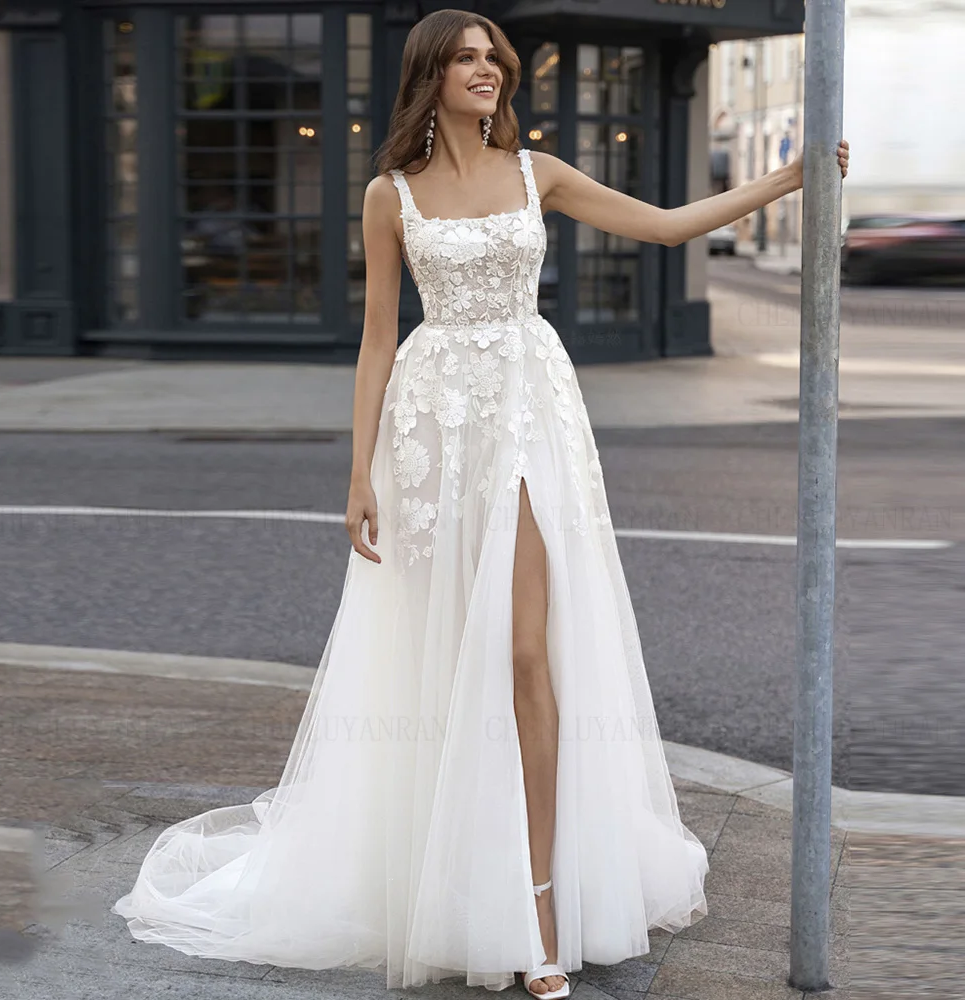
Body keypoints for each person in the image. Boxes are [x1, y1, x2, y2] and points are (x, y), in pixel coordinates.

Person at [112, 10, 850, 998]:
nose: (486, 70)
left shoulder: (536, 172)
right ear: (429, 76)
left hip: (529, 413)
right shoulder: (390, 195)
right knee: (447, 666)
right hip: (430, 430)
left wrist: (786, 179)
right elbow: (378, 339)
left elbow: (665, 225)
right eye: (465, 59)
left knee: (526, 654)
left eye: (492, 57)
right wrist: (358, 471)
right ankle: (456, 878)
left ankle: (538, 912)